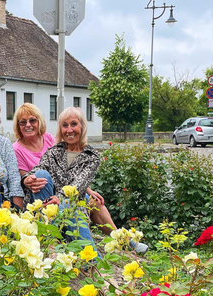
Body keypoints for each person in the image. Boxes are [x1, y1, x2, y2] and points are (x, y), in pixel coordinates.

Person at [19, 106, 147, 252]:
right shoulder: (53, 152)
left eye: (74, 124)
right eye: (64, 125)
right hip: (46, 205)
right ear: (60, 129)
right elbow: (37, 168)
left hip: (69, 207)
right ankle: (49, 236)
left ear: (83, 126)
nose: (69, 130)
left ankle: (102, 251)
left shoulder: (91, 156)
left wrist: (60, 198)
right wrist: (26, 179)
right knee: (41, 175)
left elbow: (78, 185)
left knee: (70, 202)